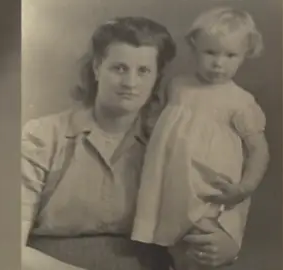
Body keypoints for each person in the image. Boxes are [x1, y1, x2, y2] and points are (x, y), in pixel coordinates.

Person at [21, 17, 177, 270]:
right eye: (119, 68)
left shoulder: (167, 142)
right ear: (96, 68)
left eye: (144, 71)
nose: (130, 83)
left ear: (157, 77)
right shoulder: (43, 136)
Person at [131, 7, 270, 270]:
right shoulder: (177, 85)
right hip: (171, 185)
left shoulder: (240, 102)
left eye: (230, 55)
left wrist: (245, 187)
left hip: (207, 189)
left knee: (204, 250)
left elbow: (259, 150)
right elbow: (162, 122)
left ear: (245, 55)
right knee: (172, 250)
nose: (219, 63)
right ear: (194, 48)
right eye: (211, 53)